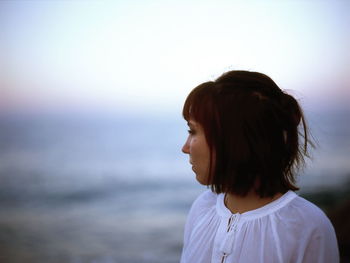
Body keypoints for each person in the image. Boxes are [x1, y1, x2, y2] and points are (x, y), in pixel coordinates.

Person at [180, 70, 339, 263]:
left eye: (193, 131)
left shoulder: (308, 227)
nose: (185, 148)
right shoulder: (203, 208)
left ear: (233, 139)